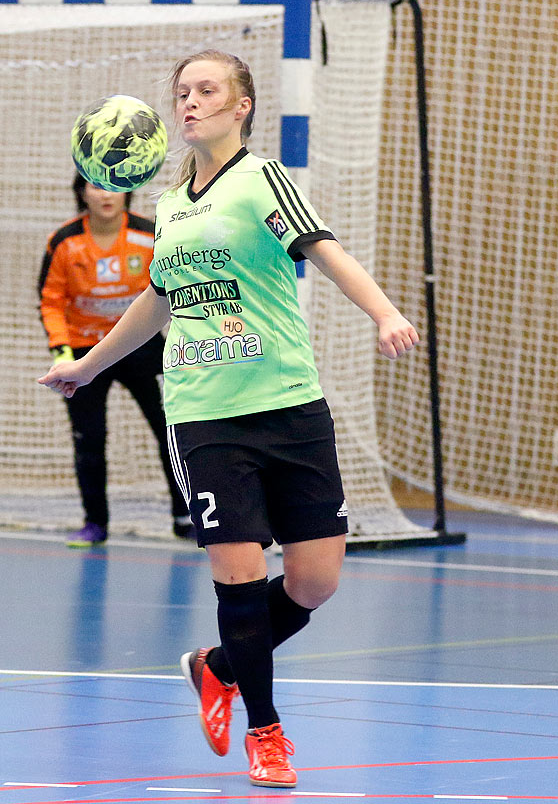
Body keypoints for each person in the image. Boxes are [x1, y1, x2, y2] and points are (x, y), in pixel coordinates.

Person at [40, 50, 418, 787]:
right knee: (240, 575)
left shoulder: (262, 181)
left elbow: (325, 250)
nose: (188, 102)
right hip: (205, 413)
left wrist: (383, 311)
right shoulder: (173, 205)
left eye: (205, 90)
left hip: (289, 403)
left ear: (241, 105)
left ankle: (218, 667)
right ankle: (267, 733)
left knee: (314, 583)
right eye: (181, 92)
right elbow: (156, 301)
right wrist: (88, 365)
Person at [39, 173, 193, 546]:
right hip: (84, 354)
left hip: (142, 348)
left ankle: (185, 517)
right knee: (89, 438)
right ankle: (95, 523)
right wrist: (62, 352)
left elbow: (176, 285)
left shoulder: (150, 233)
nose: (107, 194)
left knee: (171, 430)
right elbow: (51, 301)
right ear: (81, 193)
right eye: (96, 186)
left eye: (115, 186)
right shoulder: (64, 242)